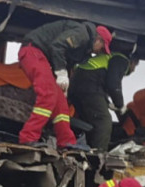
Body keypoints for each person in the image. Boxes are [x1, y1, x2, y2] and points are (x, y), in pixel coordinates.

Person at [17, 20, 112, 149]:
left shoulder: (84, 48)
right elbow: (57, 46)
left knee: (61, 103)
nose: (99, 51)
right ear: (98, 40)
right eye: (102, 47)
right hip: (33, 51)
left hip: (41, 57)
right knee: (48, 94)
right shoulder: (82, 35)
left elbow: (67, 61)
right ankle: (28, 137)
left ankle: (66, 142)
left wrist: (64, 85)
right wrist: (61, 74)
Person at [68, 51, 139, 151]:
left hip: (78, 85)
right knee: (103, 121)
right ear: (132, 62)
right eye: (135, 66)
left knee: (90, 122)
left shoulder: (110, 58)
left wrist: (108, 103)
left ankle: (87, 149)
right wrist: (120, 104)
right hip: (88, 84)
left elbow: (102, 84)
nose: (133, 70)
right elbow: (113, 85)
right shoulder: (122, 60)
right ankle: (99, 154)